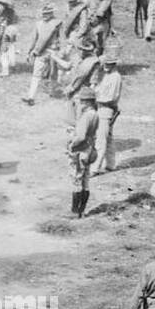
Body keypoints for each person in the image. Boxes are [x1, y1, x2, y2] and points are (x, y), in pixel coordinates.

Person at [67, 89, 99, 218]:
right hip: (89, 150)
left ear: (86, 102)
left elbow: (80, 137)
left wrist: (71, 144)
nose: (80, 103)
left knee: (76, 181)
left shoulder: (86, 116)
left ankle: (75, 213)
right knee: (85, 181)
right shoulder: (95, 114)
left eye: (81, 101)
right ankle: (82, 210)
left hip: (80, 151)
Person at [23, 3, 62, 104]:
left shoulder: (57, 23)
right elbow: (34, 39)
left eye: (47, 13)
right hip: (44, 52)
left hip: (52, 51)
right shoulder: (40, 24)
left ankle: (52, 92)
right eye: (44, 13)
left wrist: (62, 51)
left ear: (52, 13)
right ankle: (31, 97)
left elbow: (62, 38)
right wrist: (29, 52)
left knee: (52, 74)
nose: (45, 15)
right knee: (37, 75)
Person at [92, 49, 123, 174]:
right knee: (108, 138)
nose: (105, 65)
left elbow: (110, 97)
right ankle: (111, 164)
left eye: (108, 63)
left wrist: (94, 97)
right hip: (101, 108)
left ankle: (94, 168)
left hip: (106, 108)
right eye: (105, 63)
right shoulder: (106, 75)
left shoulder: (115, 77)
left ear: (114, 64)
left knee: (101, 140)